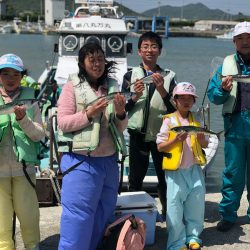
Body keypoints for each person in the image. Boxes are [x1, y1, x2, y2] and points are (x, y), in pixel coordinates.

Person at [57, 43, 128, 250]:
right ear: (82, 63)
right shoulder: (72, 86)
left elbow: (120, 127)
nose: (97, 64)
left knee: (103, 213)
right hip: (81, 161)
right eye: (92, 60)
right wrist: (89, 114)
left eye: (100, 59)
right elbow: (63, 122)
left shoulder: (112, 86)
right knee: (78, 219)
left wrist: (122, 113)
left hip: (108, 162)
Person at [121, 31, 176, 216]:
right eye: (145, 46)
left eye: (154, 46)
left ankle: (168, 214)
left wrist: (162, 90)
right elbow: (123, 108)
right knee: (135, 179)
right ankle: (133, 217)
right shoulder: (130, 76)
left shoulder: (168, 76)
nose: (149, 50)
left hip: (162, 136)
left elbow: (175, 110)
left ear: (160, 51)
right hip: (137, 136)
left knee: (165, 178)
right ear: (139, 51)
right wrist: (134, 97)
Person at [207, 21, 250, 232]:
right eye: (241, 38)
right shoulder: (226, 65)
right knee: (233, 173)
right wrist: (223, 90)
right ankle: (228, 215)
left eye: (249, 38)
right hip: (235, 126)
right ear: (234, 42)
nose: (245, 42)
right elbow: (213, 96)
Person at [0, 54, 45, 250]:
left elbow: (40, 135)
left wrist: (23, 120)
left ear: (22, 77)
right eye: (5, 73)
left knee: (29, 220)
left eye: (16, 74)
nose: (10, 78)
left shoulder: (30, 99)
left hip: (24, 171)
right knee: (1, 226)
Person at [157, 82, 208, 250]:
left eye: (190, 98)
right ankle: (177, 243)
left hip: (194, 170)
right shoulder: (169, 121)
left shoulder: (197, 120)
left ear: (194, 101)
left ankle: (193, 238)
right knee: (174, 208)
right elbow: (160, 146)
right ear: (175, 100)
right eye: (182, 98)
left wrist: (201, 139)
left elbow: (205, 144)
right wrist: (175, 140)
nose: (186, 101)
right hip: (175, 172)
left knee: (196, 205)